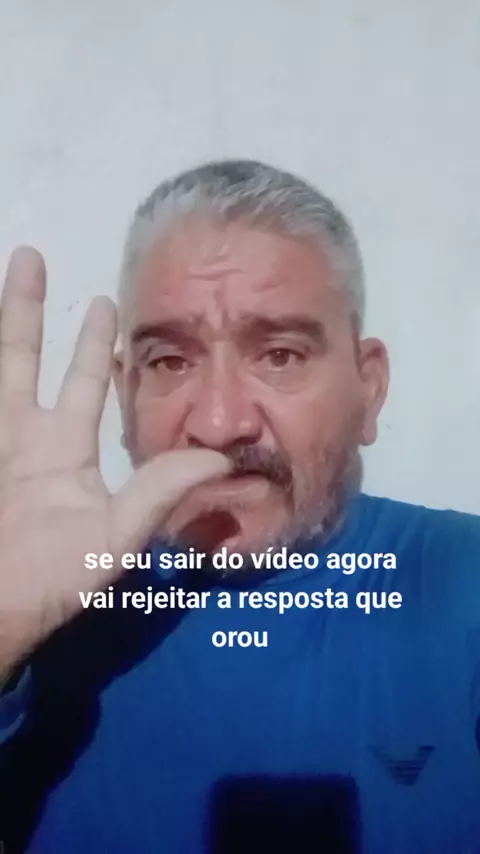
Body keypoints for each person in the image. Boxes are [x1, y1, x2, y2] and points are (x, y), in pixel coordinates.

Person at [0, 159, 479, 854]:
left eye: (279, 354)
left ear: (369, 388)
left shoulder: (461, 583)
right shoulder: (44, 615)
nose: (221, 424)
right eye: (170, 362)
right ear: (125, 396)